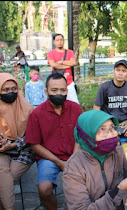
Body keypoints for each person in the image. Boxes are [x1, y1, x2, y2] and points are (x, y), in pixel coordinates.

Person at [25, 72, 82, 210]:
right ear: (46, 91)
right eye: (54, 90)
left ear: (67, 91)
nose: (59, 93)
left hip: (75, 154)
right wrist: (59, 162)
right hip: (50, 158)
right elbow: (35, 144)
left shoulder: (75, 109)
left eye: (63, 90)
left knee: (90, 184)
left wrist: (73, 159)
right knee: (44, 189)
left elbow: (80, 136)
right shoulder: (37, 114)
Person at [0, 73, 35, 210]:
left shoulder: (27, 108)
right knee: (2, 172)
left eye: (14, 89)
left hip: (24, 150)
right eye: (6, 90)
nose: (11, 92)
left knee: (4, 182)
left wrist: (14, 144)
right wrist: (3, 142)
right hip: (3, 151)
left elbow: (33, 135)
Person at [93, 59, 127, 142]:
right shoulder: (104, 87)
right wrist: (101, 124)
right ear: (114, 71)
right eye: (118, 70)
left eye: (123, 71)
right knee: (111, 141)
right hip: (108, 121)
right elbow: (96, 107)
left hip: (125, 122)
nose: (120, 73)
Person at [47, 33, 79, 104]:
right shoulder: (51, 53)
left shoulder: (70, 52)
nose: (60, 42)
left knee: (75, 103)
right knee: (57, 103)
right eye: (57, 40)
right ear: (54, 42)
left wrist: (60, 62)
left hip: (69, 82)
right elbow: (53, 64)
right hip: (56, 83)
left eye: (61, 40)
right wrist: (67, 65)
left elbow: (73, 63)